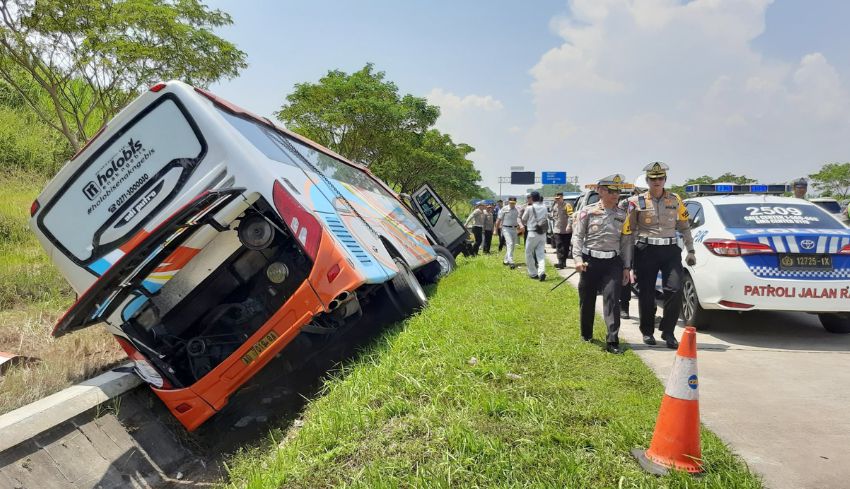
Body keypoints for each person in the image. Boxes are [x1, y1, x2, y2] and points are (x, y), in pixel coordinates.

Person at [624, 162, 696, 349]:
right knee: (646, 293)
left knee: (675, 289)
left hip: (670, 250)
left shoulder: (675, 200)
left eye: (660, 178)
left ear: (665, 180)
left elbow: (684, 226)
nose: (657, 181)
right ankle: (647, 331)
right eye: (653, 178)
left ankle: (668, 331)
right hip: (646, 250)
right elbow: (629, 230)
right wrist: (628, 259)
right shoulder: (635, 202)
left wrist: (691, 250)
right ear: (647, 180)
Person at [572, 174, 631, 354]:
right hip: (590, 262)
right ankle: (586, 334)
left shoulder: (623, 215)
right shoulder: (587, 212)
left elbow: (626, 242)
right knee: (587, 299)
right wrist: (577, 259)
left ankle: (612, 340)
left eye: (618, 191)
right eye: (611, 191)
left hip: (612, 262)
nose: (615, 195)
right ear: (600, 191)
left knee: (612, 299)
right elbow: (578, 236)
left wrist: (627, 267)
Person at [522, 191, 548, 281]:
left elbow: (523, 219)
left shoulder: (529, 208)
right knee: (540, 254)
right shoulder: (544, 207)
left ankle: (533, 273)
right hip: (542, 233)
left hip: (532, 233)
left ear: (532, 198)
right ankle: (542, 272)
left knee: (528, 253)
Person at [550, 192, 574, 269]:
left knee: (566, 247)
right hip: (557, 230)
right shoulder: (555, 206)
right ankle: (560, 262)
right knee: (559, 245)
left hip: (566, 230)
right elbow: (553, 216)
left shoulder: (567, 205)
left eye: (559, 198)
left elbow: (571, 216)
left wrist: (569, 226)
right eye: (556, 198)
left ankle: (564, 262)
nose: (557, 200)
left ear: (562, 198)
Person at [496, 197, 519, 268]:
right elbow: (499, 219)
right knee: (510, 243)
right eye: (511, 203)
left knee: (512, 246)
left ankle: (505, 260)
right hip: (506, 229)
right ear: (508, 202)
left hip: (514, 229)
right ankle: (511, 261)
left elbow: (519, 219)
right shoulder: (504, 209)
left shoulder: (517, 209)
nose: (512, 204)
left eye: (513, 203)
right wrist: (495, 229)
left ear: (515, 202)